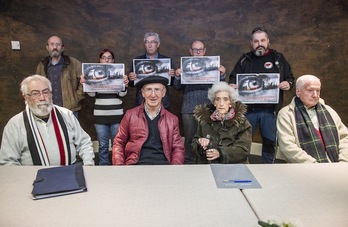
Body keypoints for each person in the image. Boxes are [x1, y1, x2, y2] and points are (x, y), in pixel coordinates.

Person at [229, 26, 294, 163]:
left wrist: (288, 84)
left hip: (270, 111)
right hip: (247, 110)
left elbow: (290, 78)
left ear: (268, 41)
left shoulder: (278, 58)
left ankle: (268, 169)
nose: (259, 44)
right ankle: (241, 167)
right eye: (256, 41)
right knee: (243, 141)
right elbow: (233, 79)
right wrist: (232, 86)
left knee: (270, 142)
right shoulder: (244, 59)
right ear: (251, 43)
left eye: (262, 40)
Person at [0, 75, 95, 166]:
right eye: (35, 93)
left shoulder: (66, 115)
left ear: (51, 94)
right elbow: (8, 161)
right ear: (25, 97)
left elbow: (84, 143)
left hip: (69, 173)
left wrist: (88, 164)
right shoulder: (15, 124)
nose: (42, 98)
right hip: (32, 178)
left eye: (46, 92)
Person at [174, 40, 226, 163]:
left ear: (204, 51)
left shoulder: (212, 65)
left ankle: (205, 162)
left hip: (208, 109)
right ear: (190, 51)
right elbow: (177, 87)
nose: (198, 52)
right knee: (190, 139)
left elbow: (220, 86)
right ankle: (188, 162)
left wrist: (222, 74)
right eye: (195, 50)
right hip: (189, 109)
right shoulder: (185, 66)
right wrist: (177, 76)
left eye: (200, 49)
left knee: (207, 138)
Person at [112, 75, 184, 165]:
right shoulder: (130, 115)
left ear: (164, 92)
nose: (153, 95)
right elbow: (119, 143)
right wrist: (120, 168)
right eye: (149, 90)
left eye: (157, 90)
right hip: (136, 165)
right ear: (143, 93)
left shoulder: (172, 119)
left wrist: (175, 169)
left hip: (163, 166)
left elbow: (178, 148)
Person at [277, 75, 348, 163]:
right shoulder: (286, 114)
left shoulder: (329, 111)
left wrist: (343, 162)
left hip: (336, 166)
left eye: (317, 91)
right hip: (305, 169)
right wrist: (314, 165)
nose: (315, 95)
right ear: (298, 92)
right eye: (310, 90)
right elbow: (287, 147)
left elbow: (345, 138)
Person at [81, 49, 128, 165]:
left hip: (116, 115)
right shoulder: (94, 74)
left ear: (113, 60)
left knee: (117, 144)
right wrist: (86, 84)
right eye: (104, 57)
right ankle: (103, 169)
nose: (107, 59)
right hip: (100, 116)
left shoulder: (119, 74)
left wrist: (124, 85)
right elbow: (92, 94)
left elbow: (122, 95)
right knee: (102, 145)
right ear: (100, 60)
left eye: (109, 57)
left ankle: (118, 166)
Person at [192, 82, 252, 164]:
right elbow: (194, 142)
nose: (221, 104)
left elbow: (243, 150)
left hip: (234, 167)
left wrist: (221, 153)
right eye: (218, 99)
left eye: (225, 99)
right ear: (214, 102)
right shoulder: (204, 121)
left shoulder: (242, 122)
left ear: (230, 103)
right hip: (209, 165)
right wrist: (200, 143)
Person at [36, 35, 84, 117]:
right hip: (48, 108)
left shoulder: (73, 63)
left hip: (70, 110)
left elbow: (84, 81)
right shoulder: (42, 65)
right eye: (52, 44)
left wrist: (76, 98)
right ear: (47, 47)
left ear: (62, 48)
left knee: (71, 130)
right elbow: (36, 85)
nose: (55, 47)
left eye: (58, 44)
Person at [128, 32, 175, 109]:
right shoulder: (137, 61)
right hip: (141, 103)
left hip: (163, 103)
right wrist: (131, 78)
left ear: (158, 44)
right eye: (147, 42)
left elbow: (172, 83)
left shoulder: (166, 61)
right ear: (144, 45)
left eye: (152, 42)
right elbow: (132, 84)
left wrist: (173, 76)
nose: (150, 45)